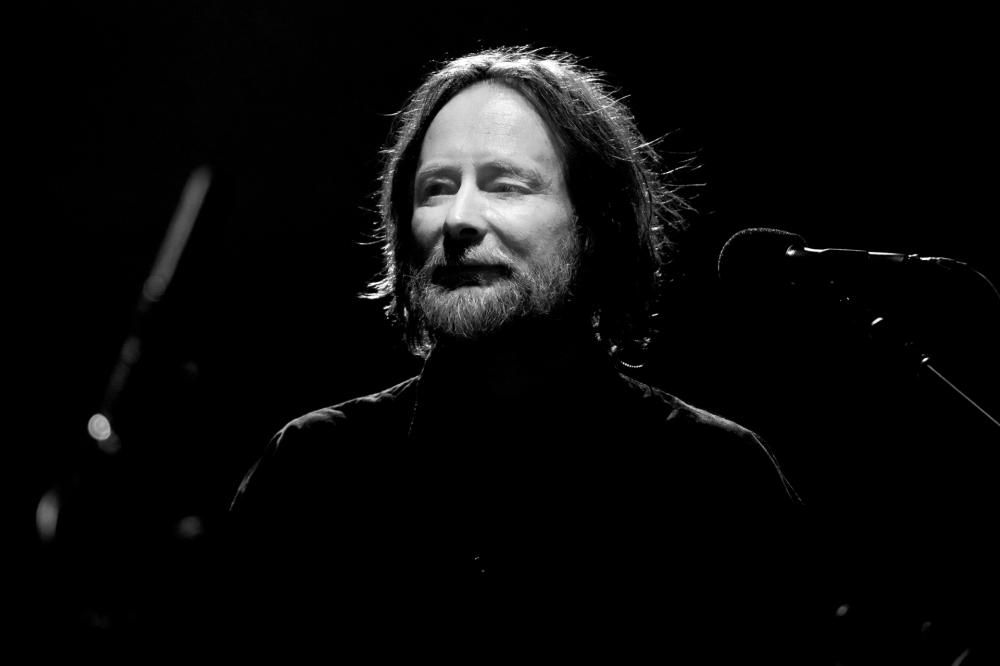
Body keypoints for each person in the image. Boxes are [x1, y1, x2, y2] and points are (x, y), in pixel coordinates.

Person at [226, 47, 816, 660]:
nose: (458, 218)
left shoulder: (715, 478)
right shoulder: (314, 469)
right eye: (436, 189)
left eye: (505, 186)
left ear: (596, 225)